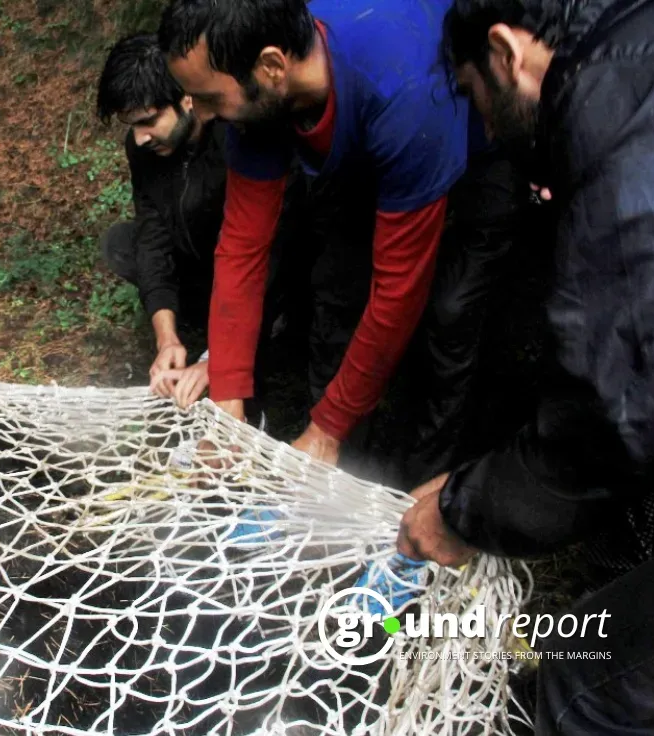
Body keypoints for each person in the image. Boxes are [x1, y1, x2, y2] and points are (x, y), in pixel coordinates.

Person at [397, 0, 654, 736]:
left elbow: (624, 414)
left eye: (472, 91)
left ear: (505, 52)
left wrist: (466, 510)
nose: (488, 127)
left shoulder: (630, 121)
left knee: (595, 691)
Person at [158, 0, 524, 488]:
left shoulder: (404, 88)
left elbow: (398, 289)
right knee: (337, 287)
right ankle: (345, 467)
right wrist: (227, 404)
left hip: (473, 139)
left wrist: (327, 430)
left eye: (207, 98)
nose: (198, 115)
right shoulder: (255, 99)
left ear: (272, 67)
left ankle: (427, 488)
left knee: (451, 314)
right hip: (358, 141)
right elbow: (242, 247)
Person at [96, 33, 307, 414]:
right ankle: (198, 325)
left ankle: (275, 330)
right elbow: (153, 235)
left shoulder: (239, 135)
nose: (140, 138)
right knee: (123, 243)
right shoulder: (143, 148)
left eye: (148, 121)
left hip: (266, 265)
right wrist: (166, 337)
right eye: (132, 126)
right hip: (204, 261)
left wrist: (220, 358)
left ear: (187, 97)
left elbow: (271, 249)